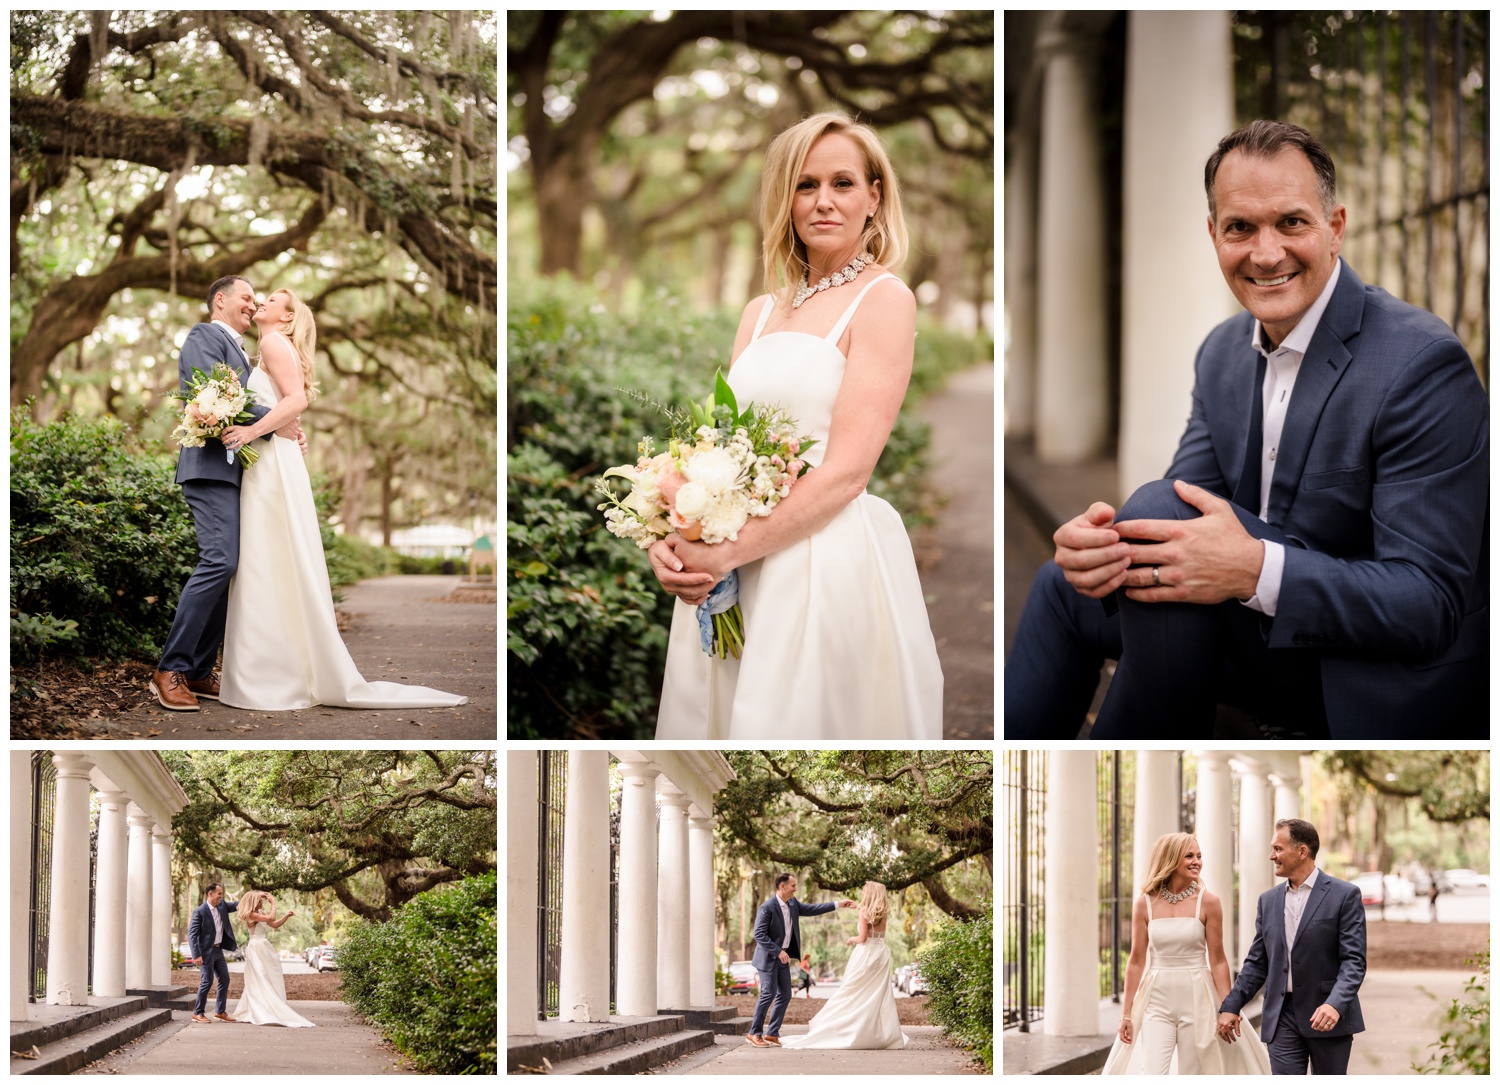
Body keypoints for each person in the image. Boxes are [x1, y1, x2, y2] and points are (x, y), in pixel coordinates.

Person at [1006, 119, 1487, 739]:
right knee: (1060, 585)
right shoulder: (1222, 353)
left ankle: (1129, 754)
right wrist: (1103, 548)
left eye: (1291, 222)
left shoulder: (1420, 363)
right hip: (1257, 633)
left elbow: (1428, 605)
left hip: (1364, 667)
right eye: (1240, 227)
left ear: (1335, 228)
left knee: (1156, 522)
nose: (1265, 253)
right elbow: (1179, 508)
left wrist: (1257, 569)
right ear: (1214, 235)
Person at [651, 112, 943, 739]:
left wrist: (725, 551)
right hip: (729, 567)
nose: (824, 202)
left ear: (875, 197)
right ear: (785, 200)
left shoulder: (884, 300)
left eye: (843, 183)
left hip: (818, 562)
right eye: (805, 185)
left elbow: (846, 472)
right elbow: (716, 449)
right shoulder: (759, 312)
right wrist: (672, 543)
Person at [214, 288, 467, 710]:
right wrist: (282, 425)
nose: (262, 301)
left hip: (273, 465)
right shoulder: (269, 346)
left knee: (268, 560)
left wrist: (249, 432)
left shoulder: (274, 342)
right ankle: (278, 670)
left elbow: (297, 399)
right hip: (275, 459)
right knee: (274, 561)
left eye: (274, 299)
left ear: (288, 318)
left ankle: (268, 677)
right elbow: (286, 405)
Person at [151, 276, 305, 711]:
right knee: (219, 560)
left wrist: (283, 425)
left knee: (232, 567)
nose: (253, 305)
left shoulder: (243, 349)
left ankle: (199, 671)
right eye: (246, 297)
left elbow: (253, 398)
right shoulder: (204, 334)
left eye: (258, 300)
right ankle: (170, 668)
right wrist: (278, 418)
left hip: (237, 470)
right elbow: (209, 393)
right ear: (220, 301)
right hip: (208, 467)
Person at [1103, 834, 1270, 1074]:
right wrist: (1126, 1014)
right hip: (1156, 998)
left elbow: (1219, 959)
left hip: (1198, 996)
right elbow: (1137, 961)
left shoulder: (1208, 901)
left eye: (1199, 856)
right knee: (1153, 1072)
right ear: (1170, 860)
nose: (1197, 862)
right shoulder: (1145, 903)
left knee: (1192, 1073)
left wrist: (1228, 1007)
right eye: (1189, 856)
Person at [1218, 818, 1366, 1075]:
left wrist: (1335, 1004)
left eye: (1278, 849)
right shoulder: (1268, 901)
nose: (1271, 855)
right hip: (1281, 1015)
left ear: (1302, 851)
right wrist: (1231, 1005)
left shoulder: (1345, 895)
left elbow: (1354, 961)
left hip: (1327, 1016)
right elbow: (1257, 962)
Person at [781, 881, 907, 1050]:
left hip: (865, 954)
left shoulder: (864, 912)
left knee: (851, 991)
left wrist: (851, 939)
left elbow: (862, 938)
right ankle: (873, 1032)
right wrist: (858, 907)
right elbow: (873, 926)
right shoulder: (883, 912)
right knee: (874, 994)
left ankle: (841, 1028)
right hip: (880, 955)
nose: (862, 894)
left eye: (864, 891)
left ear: (869, 894)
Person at [745, 872, 857, 1048]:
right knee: (768, 993)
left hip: (783, 958)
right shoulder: (767, 907)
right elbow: (759, 934)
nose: (795, 889)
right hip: (768, 958)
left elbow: (813, 909)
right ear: (782, 886)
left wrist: (838, 904)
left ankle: (772, 1033)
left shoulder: (793, 904)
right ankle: (754, 1033)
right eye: (793, 885)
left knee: (786, 994)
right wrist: (777, 951)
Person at [229, 889, 314, 1027]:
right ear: (254, 903)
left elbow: (273, 924)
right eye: (260, 901)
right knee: (259, 977)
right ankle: (261, 1009)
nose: (262, 903)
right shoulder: (252, 915)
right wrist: (273, 903)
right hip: (256, 947)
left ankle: (265, 1007)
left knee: (268, 977)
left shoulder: (260, 913)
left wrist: (286, 916)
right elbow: (271, 918)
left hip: (264, 947)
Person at [186, 883, 240, 1023]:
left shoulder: (222, 906)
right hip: (205, 953)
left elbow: (235, 905)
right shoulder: (200, 911)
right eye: (219, 894)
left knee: (225, 979)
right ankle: (198, 1013)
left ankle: (220, 1012)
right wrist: (196, 955)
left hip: (218, 950)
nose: (221, 897)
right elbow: (192, 934)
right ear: (210, 894)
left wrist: (254, 896)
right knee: (207, 981)